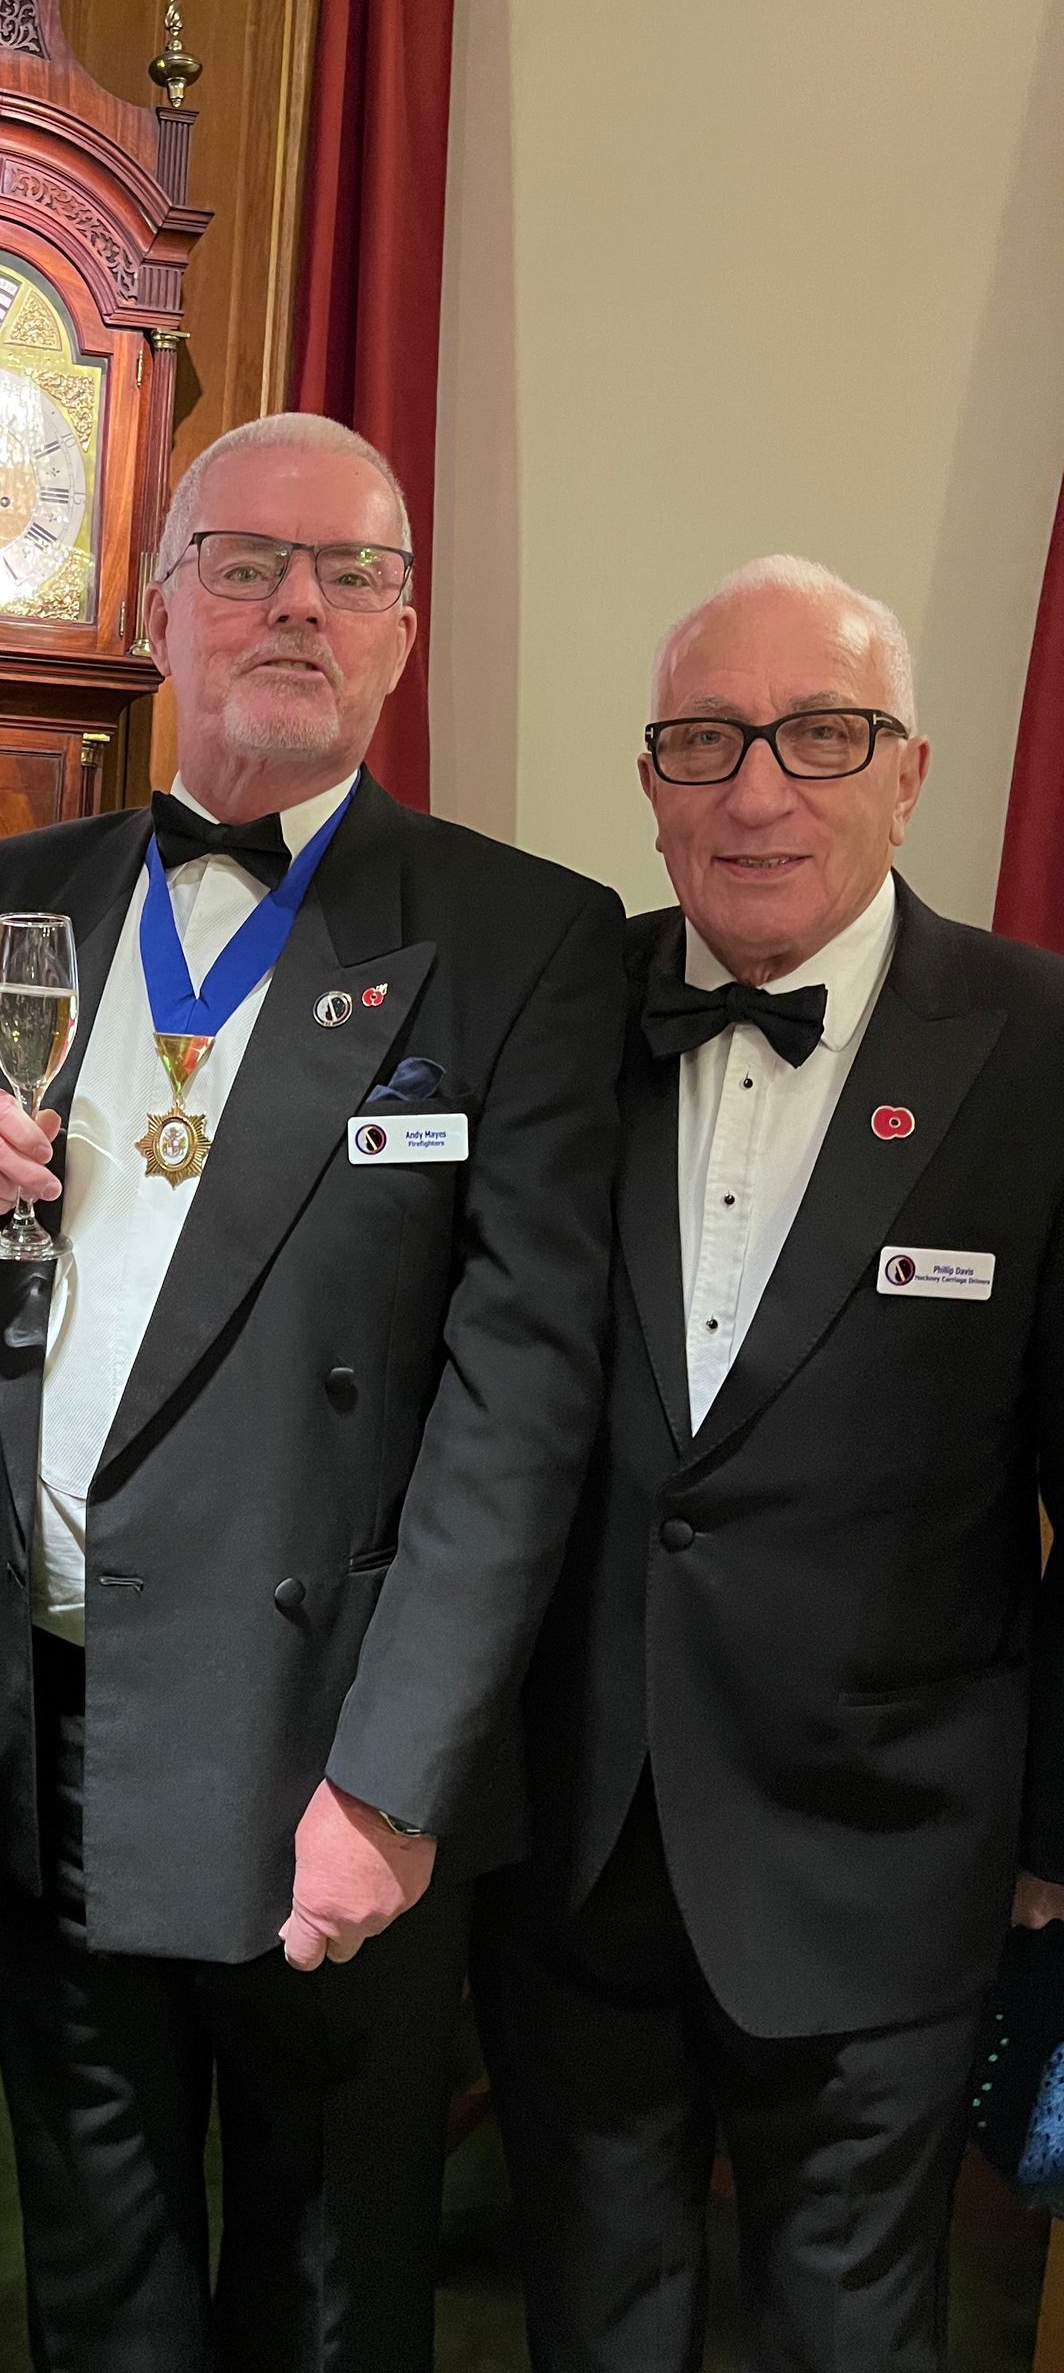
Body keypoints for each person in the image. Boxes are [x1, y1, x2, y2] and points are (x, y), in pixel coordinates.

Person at [0, 412, 628, 2372]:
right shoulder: (25, 883)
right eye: (245, 562)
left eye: (351, 571)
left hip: (321, 1743)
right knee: (95, 2266)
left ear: (402, 633)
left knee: (326, 2286)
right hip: (43, 1711)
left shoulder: (518, 935)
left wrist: (392, 1783)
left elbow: (520, 1406)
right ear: (162, 610)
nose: (298, 602)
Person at [476, 555, 1064, 2372]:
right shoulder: (547, 1016)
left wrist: (1053, 1836)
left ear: (910, 771)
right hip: (575, 1831)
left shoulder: (1042, 1045)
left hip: (888, 1851)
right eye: (706, 740)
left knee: (850, 2335)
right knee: (594, 2322)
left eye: (820, 735)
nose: (755, 790)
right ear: (651, 783)